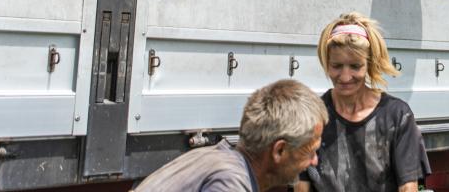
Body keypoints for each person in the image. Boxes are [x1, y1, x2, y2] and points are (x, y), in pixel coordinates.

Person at [295, 12, 430, 192]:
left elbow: (407, 187)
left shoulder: (397, 115)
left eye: (355, 66)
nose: (345, 76)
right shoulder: (312, 116)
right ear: (326, 63)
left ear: (369, 64)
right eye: (336, 66)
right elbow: (301, 185)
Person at [135, 79, 328, 192]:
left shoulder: (214, 156)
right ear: (280, 150)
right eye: (310, 152)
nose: (314, 161)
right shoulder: (230, 182)